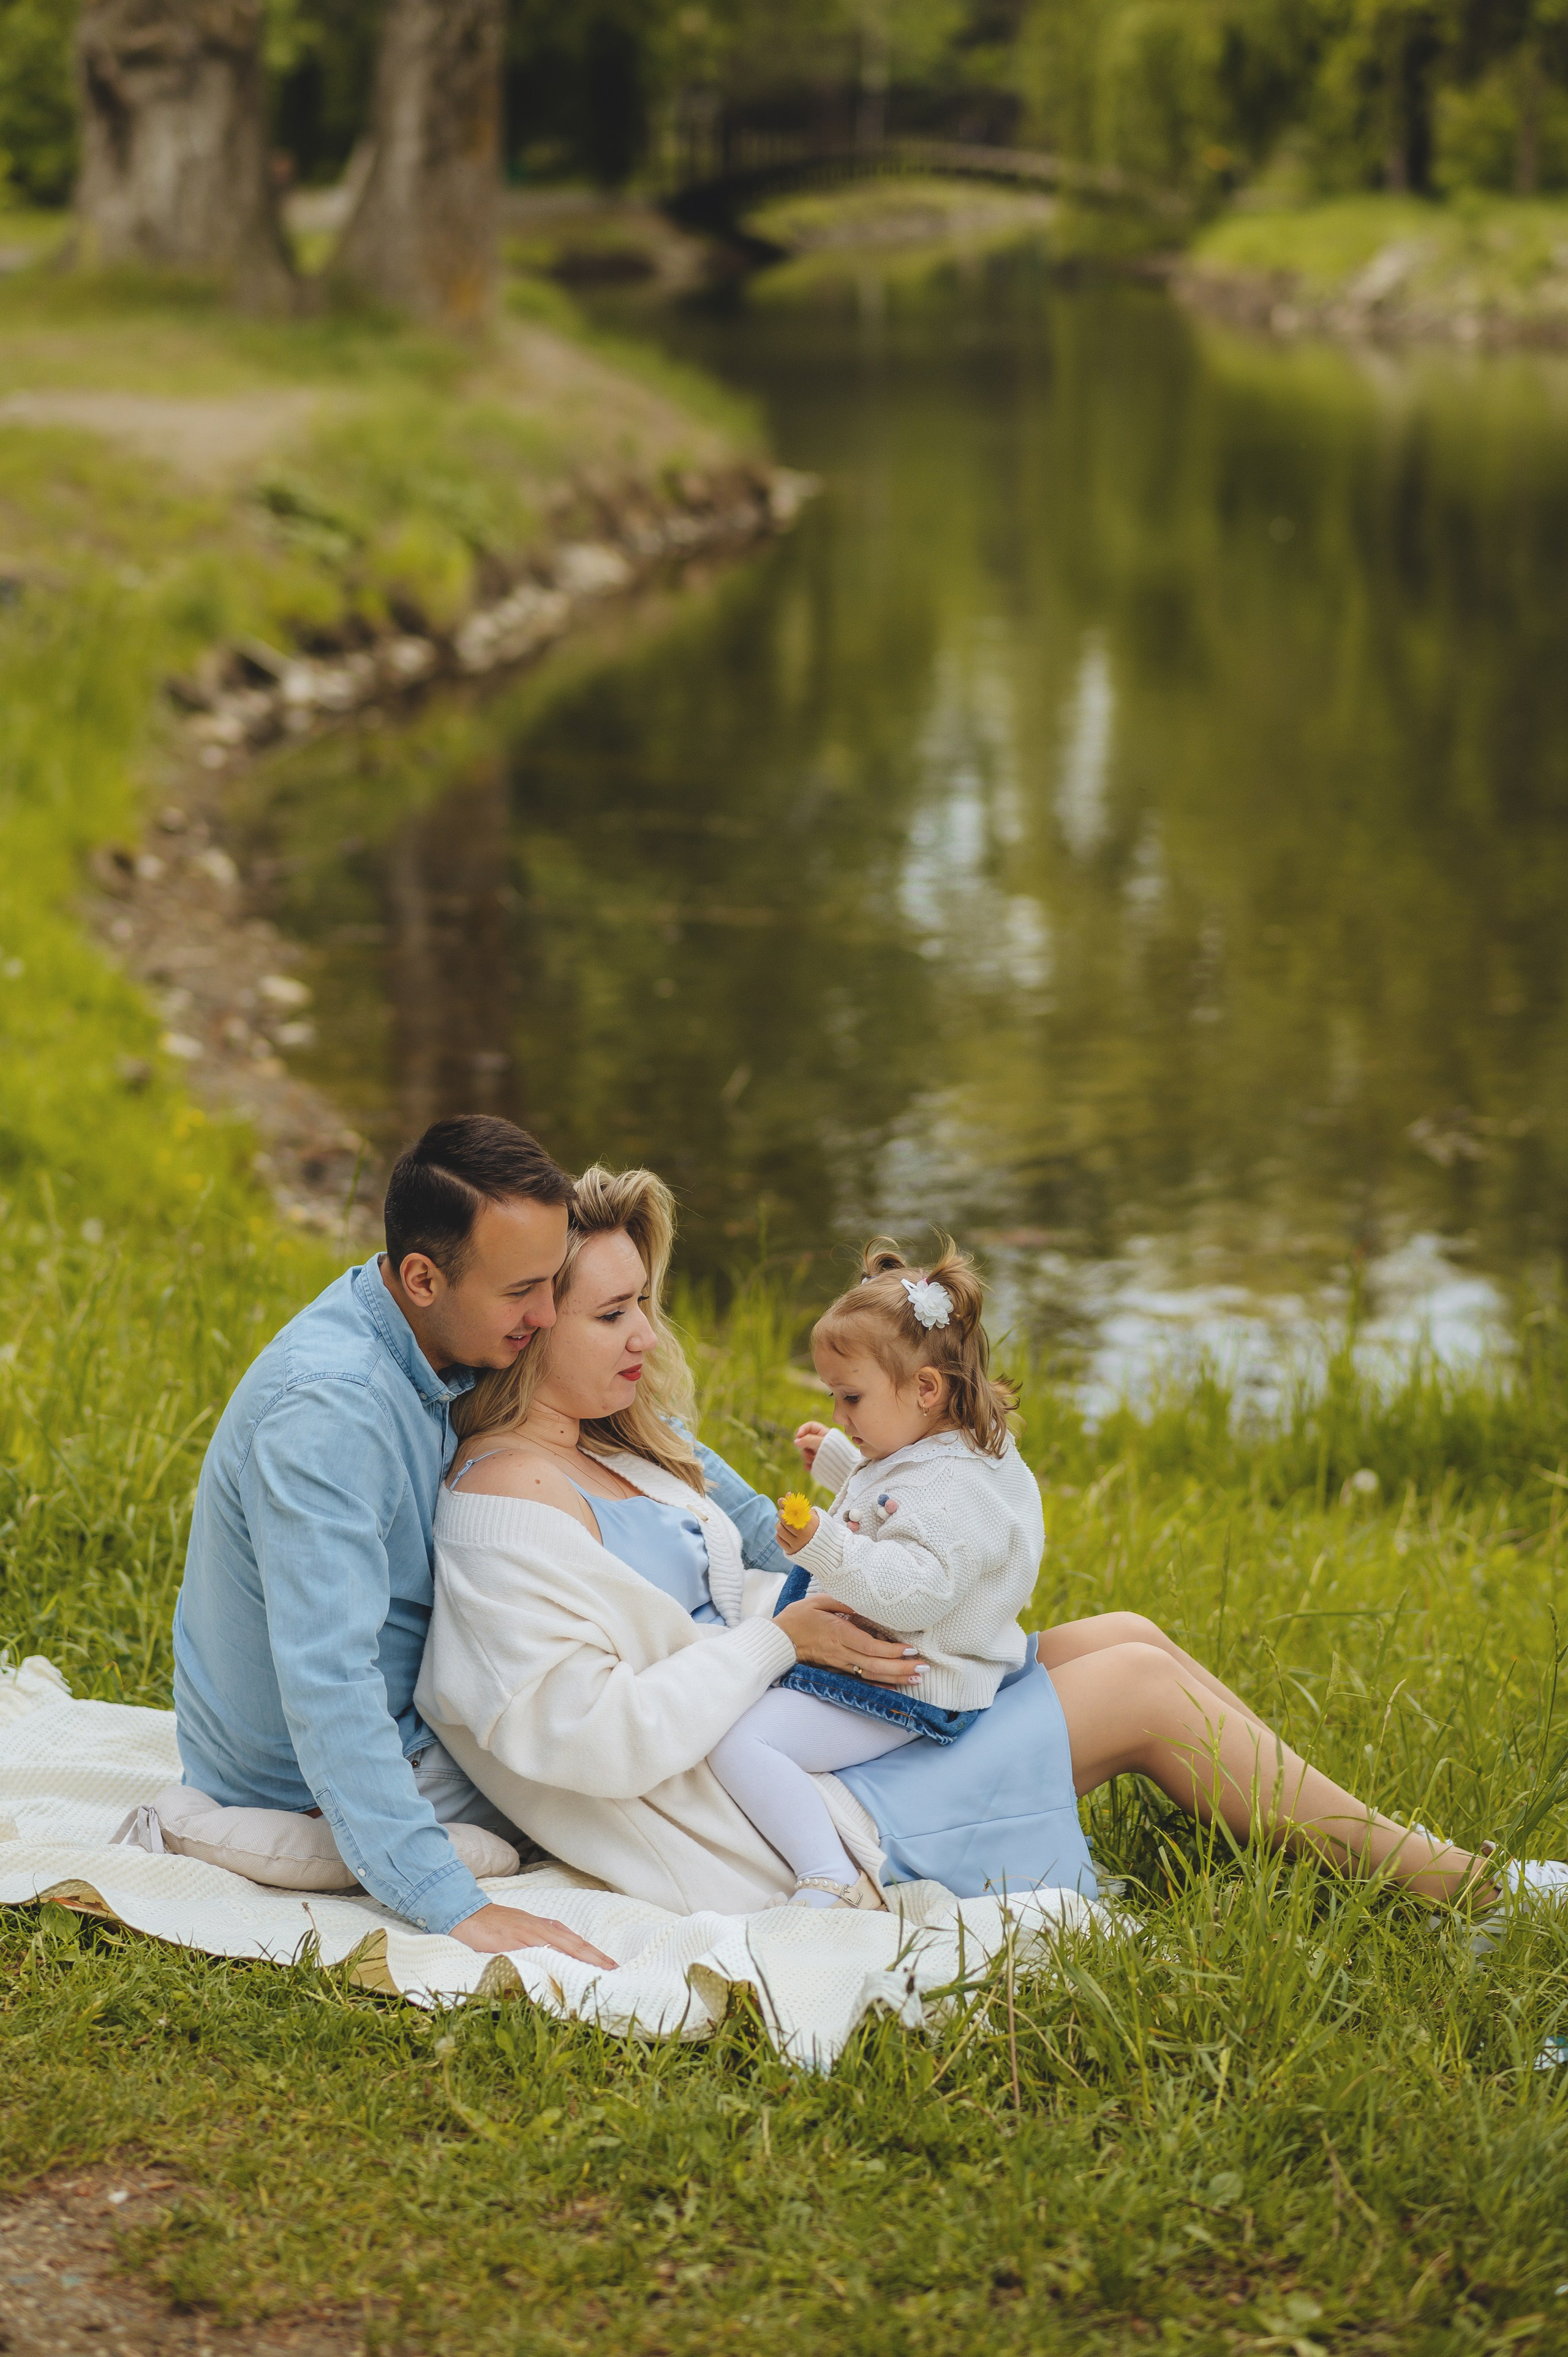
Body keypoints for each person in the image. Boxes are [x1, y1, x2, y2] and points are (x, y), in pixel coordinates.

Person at [417, 1166, 1561, 1929]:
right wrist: (784, 1639)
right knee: (1143, 1689)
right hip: (772, 1820)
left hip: (811, 1725)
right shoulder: (511, 1498)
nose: (646, 1335)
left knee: (1125, 1634)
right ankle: (1470, 1890)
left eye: (644, 1303)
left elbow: (762, 1572)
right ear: (528, 1320)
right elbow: (581, 1736)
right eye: (609, 1313)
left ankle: (1396, 1856)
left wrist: (842, 1592)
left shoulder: (618, 1454)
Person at [168, 1114, 614, 1967]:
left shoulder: (449, 1324)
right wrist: (449, 1901)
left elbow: (616, 1417)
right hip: (307, 1779)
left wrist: (767, 1540)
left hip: (425, 1704)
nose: (549, 1312)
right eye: (526, 1290)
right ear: (420, 1275)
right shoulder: (330, 1413)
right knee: (648, 1753)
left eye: (554, 1281)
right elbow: (329, 1679)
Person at [706, 1239, 1045, 1909]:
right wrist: (840, 1461)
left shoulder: (949, 1488)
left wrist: (825, 1546)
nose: (839, 1413)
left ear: (925, 1388)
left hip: (915, 1680)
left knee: (739, 1741)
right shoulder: (943, 1447)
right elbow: (897, 1501)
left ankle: (827, 1874)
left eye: (850, 1398)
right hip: (914, 1659)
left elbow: (914, 1590)